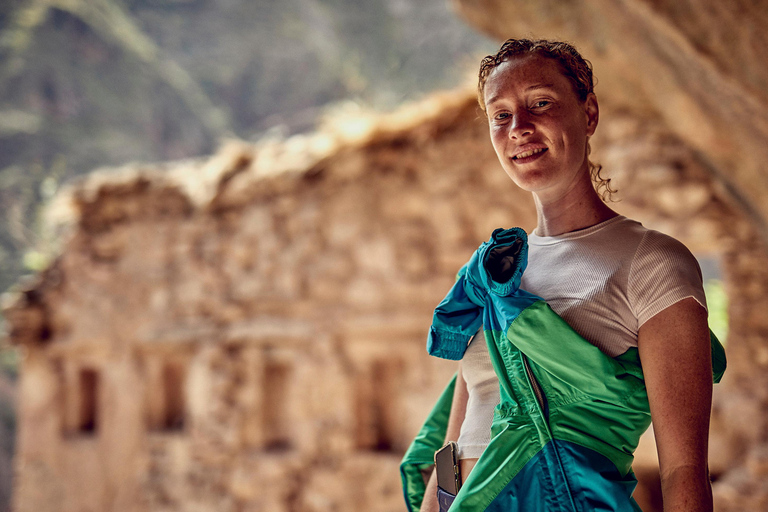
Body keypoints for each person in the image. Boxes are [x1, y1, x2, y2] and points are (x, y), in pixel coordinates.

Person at [401, 39, 723, 511]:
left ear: (588, 113)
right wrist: (438, 506)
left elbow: (682, 469)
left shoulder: (650, 263)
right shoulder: (490, 272)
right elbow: (456, 443)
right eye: (501, 115)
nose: (519, 128)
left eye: (541, 104)